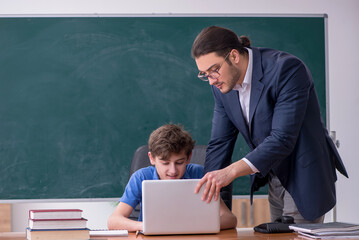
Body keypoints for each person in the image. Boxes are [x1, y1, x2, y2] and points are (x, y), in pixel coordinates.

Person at [191, 26, 348, 224]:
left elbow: (282, 139)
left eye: (213, 70)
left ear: (234, 56)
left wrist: (230, 172)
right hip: (273, 171)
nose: (211, 81)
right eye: (204, 74)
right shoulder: (222, 85)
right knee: (277, 235)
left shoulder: (287, 69)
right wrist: (208, 197)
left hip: (303, 169)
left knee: (296, 235)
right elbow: (219, 143)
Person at [108, 124, 237, 232]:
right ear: (152, 158)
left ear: (189, 157)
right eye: (165, 163)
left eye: (179, 162)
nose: (173, 171)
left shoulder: (200, 174)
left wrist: (193, 226)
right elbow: (113, 221)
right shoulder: (141, 177)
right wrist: (146, 227)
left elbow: (230, 219)